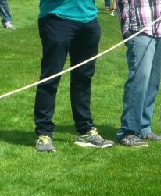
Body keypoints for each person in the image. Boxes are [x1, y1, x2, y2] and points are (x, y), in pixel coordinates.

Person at [33, 0, 114, 153]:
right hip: (57, 19)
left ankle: (85, 130)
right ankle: (44, 133)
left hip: (88, 19)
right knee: (50, 78)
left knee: (83, 78)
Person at [115, 0, 161, 147]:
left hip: (159, 28)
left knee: (153, 80)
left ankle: (144, 127)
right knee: (140, 79)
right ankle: (129, 131)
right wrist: (127, 30)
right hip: (139, 27)